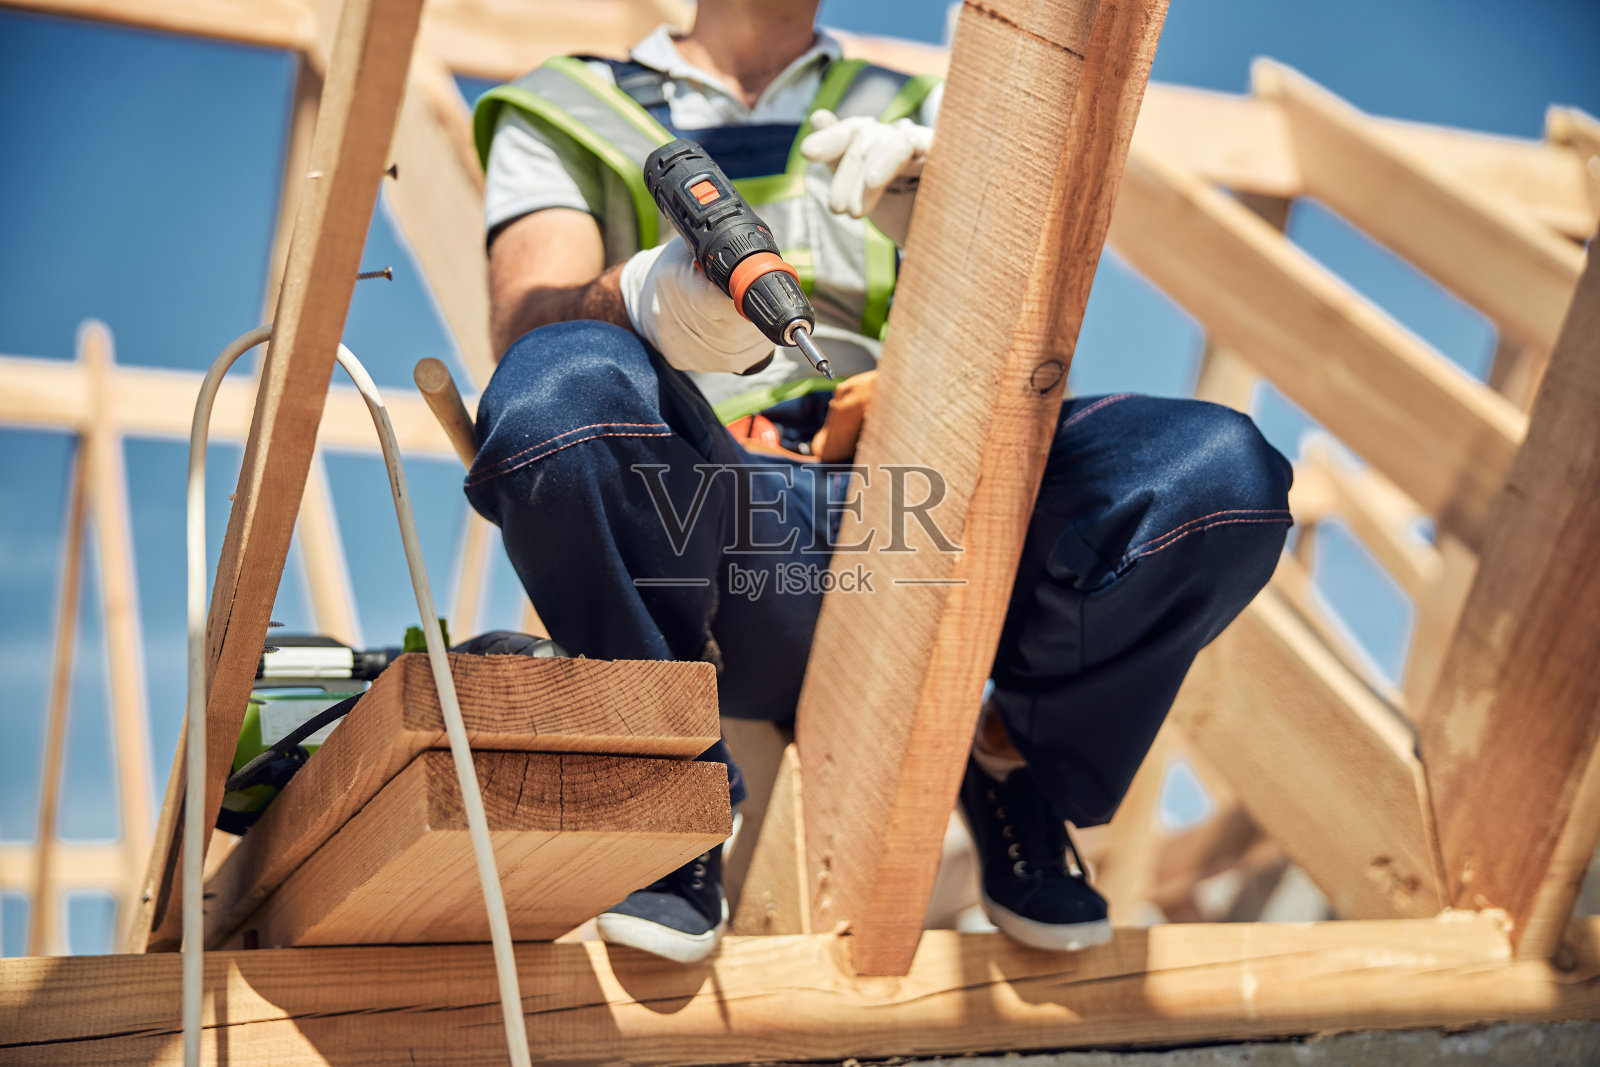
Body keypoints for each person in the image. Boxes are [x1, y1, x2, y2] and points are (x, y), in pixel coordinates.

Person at [466, 0, 1293, 963]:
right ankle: (666, 776)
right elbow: (527, 335)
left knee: (1216, 475)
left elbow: (1033, 359)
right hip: (718, 531)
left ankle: (1009, 755)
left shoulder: (935, 102)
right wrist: (646, 302)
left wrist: (967, 249)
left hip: (930, 515)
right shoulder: (567, 106)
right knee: (555, 388)